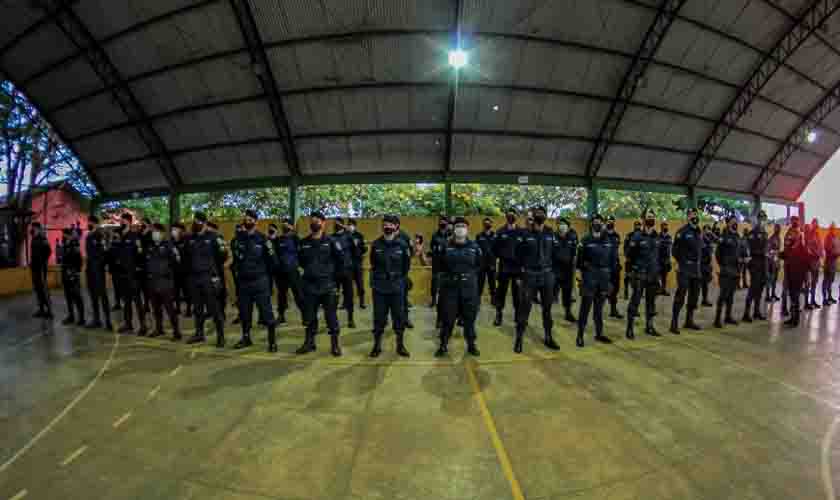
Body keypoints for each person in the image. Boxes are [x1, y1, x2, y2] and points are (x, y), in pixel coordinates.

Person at [296, 211, 345, 356]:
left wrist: (334, 281)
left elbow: (341, 261)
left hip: (328, 286)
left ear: (323, 223)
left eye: (317, 221)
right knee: (310, 316)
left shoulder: (331, 242)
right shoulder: (303, 243)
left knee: (331, 316)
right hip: (310, 286)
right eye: (312, 221)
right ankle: (309, 343)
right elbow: (299, 262)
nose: (314, 224)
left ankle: (335, 345)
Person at [513, 206, 561, 353]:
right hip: (529, 275)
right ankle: (519, 339)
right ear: (533, 217)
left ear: (545, 216)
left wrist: (553, 274)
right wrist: (519, 276)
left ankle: (548, 337)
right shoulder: (525, 233)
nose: (540, 215)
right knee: (524, 308)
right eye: (537, 213)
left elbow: (555, 253)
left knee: (547, 309)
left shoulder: (550, 233)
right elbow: (517, 256)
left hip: (547, 275)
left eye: (542, 213)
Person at [232, 210, 279, 352]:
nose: (247, 222)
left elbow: (273, 261)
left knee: (267, 313)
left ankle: (272, 341)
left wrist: (265, 277)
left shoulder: (264, 240)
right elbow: (236, 259)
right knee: (245, 313)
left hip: (260, 282)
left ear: (256, 222)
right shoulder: (237, 239)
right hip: (244, 283)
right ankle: (246, 338)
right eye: (246, 219)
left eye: (250, 219)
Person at [436, 217, 481, 357]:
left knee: (469, 319)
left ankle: (471, 345)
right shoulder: (445, 246)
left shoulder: (474, 247)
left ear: (467, 229)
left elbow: (479, 265)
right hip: (450, 289)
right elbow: (438, 266)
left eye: (463, 226)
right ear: (453, 229)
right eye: (458, 226)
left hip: (469, 289)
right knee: (448, 319)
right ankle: (443, 345)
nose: (460, 228)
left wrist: (470, 279)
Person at [369, 214, 411, 357]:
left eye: (390, 224)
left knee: (399, 317)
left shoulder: (402, 245)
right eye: (385, 224)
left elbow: (406, 267)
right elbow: (373, 264)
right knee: (379, 317)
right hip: (379, 288)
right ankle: (377, 345)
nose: (387, 227)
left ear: (396, 226)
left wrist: (398, 279)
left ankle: (400, 345)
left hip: (396, 287)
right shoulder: (376, 244)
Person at [185, 212, 227, 346]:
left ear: (204, 223)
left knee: (214, 308)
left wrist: (214, 272)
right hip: (194, 278)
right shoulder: (190, 238)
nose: (195, 224)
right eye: (194, 221)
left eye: (197, 221)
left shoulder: (214, 237)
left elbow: (223, 255)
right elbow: (186, 256)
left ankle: (221, 336)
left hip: (208, 277)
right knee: (197, 309)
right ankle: (199, 334)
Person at [576, 214, 616, 347]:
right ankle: (580, 335)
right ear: (591, 224)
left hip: (604, 278)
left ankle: (599, 334)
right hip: (589, 277)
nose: (597, 224)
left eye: (599, 222)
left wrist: (611, 279)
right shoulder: (585, 240)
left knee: (599, 309)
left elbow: (613, 261)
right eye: (595, 222)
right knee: (585, 308)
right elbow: (579, 261)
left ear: (603, 224)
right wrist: (580, 277)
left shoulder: (608, 240)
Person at [625, 209, 661, 339]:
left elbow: (658, 256)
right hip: (640, 274)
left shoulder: (657, 236)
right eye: (648, 217)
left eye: (653, 217)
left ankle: (649, 327)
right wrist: (632, 272)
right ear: (643, 220)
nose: (651, 219)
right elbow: (629, 255)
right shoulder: (637, 236)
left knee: (651, 303)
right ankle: (629, 328)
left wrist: (658, 273)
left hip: (653, 274)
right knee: (635, 301)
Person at [145, 223, 181, 340]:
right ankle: (159, 328)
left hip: (165, 282)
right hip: (152, 281)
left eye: (156, 231)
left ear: (162, 233)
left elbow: (176, 261)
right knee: (156, 308)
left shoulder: (169, 246)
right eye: (153, 231)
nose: (154, 234)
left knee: (170, 308)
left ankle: (176, 331)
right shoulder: (150, 246)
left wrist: (168, 272)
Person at [671, 208, 704, 334]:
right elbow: (674, 250)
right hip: (684, 268)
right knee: (681, 295)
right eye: (692, 215)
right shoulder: (682, 232)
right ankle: (674, 323)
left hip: (696, 269)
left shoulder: (699, 231)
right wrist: (682, 262)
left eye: (696, 214)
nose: (694, 216)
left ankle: (689, 321)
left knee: (694, 296)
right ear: (687, 217)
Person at [114, 214, 147, 335]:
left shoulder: (135, 236)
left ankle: (143, 326)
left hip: (133, 274)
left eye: (123, 221)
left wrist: (138, 269)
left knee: (137, 301)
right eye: (121, 221)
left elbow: (140, 254)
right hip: (122, 274)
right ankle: (128, 325)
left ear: (128, 222)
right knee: (126, 301)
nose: (121, 223)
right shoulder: (119, 237)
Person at [271, 218, 305, 324]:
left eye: (286, 225)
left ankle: (305, 316)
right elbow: (273, 253)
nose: (284, 227)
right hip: (281, 272)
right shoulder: (278, 239)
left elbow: (302, 254)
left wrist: (301, 267)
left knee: (299, 294)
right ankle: (281, 316)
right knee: (281, 295)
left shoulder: (296, 239)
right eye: (283, 225)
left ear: (291, 227)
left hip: (293, 271)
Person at [493, 208, 523, 326]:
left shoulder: (521, 232)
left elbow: (525, 250)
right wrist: (502, 256)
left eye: (513, 214)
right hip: (504, 267)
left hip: (517, 268)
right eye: (509, 214)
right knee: (501, 292)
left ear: (516, 216)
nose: (511, 216)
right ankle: (498, 314)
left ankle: (518, 315)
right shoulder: (500, 231)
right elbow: (494, 248)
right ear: (506, 217)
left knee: (517, 294)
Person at [714, 216, 744, 328]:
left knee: (731, 295)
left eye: (736, 222)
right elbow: (718, 254)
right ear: (728, 223)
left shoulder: (737, 236)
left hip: (735, 270)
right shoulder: (724, 236)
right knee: (723, 295)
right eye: (733, 222)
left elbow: (739, 251)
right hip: (726, 270)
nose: (735, 224)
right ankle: (717, 319)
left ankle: (728, 316)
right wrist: (723, 265)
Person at [84, 215, 112, 330]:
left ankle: (108, 321)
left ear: (93, 223)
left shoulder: (100, 235)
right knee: (93, 296)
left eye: (89, 222)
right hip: (90, 269)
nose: (88, 224)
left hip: (98, 270)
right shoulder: (89, 236)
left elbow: (105, 253)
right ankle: (97, 320)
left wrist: (100, 265)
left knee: (102, 295)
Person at [781, 216, 808, 327]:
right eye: (792, 221)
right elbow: (787, 250)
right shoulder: (789, 232)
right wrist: (781, 254)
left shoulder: (800, 235)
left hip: (796, 270)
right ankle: (793, 317)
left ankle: (795, 319)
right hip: (789, 267)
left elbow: (800, 253)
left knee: (795, 295)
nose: (794, 222)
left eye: (795, 221)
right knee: (792, 295)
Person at [743, 210, 769, 322]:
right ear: (757, 220)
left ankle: (756, 312)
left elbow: (766, 248)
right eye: (761, 219)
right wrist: (762, 253)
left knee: (760, 289)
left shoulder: (765, 233)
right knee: (753, 289)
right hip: (755, 264)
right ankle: (746, 313)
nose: (762, 221)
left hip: (763, 264)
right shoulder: (752, 233)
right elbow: (749, 250)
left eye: (764, 219)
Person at [332, 217, 357, 328]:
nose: (336, 225)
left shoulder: (349, 237)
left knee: (349, 296)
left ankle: (350, 319)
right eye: (335, 224)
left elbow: (355, 251)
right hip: (334, 272)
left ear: (342, 225)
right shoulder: (331, 238)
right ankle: (333, 320)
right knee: (333, 298)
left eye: (338, 224)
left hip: (347, 271)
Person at [553, 217, 578, 322]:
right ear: (557, 226)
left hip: (567, 269)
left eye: (564, 224)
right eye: (560, 224)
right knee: (550, 292)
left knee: (567, 292)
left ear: (568, 226)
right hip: (555, 269)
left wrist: (574, 266)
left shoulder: (572, 237)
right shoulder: (553, 236)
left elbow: (574, 253)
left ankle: (568, 312)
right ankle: (547, 312)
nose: (562, 226)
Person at [60, 227, 85, 326]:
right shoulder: (65, 244)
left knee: (77, 296)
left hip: (73, 273)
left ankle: (81, 318)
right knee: (68, 296)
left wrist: (76, 272)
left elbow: (79, 259)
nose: (63, 236)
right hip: (65, 272)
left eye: (64, 234)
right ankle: (71, 316)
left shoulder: (74, 244)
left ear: (69, 235)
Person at [29, 222, 53, 319]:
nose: (32, 229)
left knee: (43, 289)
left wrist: (42, 261)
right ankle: (41, 309)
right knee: (37, 289)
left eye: (34, 228)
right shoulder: (34, 239)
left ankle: (49, 311)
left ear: (38, 229)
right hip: (34, 268)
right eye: (32, 228)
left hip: (41, 268)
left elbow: (49, 252)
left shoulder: (43, 239)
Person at [604, 215, 623, 319]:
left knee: (615, 289)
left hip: (615, 266)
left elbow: (616, 251)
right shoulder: (602, 235)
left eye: (612, 221)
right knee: (603, 289)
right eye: (608, 221)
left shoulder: (617, 236)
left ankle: (613, 310)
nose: (610, 222)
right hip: (605, 267)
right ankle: (598, 312)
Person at [429, 215, 450, 309]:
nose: (442, 223)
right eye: (441, 221)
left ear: (447, 223)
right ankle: (433, 300)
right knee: (435, 282)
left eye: (444, 221)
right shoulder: (435, 235)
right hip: (437, 262)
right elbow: (432, 247)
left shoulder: (451, 234)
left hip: (448, 263)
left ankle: (446, 301)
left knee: (447, 283)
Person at [347, 219, 368, 309]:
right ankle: (346, 303)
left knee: (360, 284)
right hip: (348, 264)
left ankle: (362, 302)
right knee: (347, 285)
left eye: (352, 225)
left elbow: (364, 248)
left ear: (355, 226)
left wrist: (358, 249)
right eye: (349, 225)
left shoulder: (359, 236)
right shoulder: (345, 236)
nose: (350, 226)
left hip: (357, 263)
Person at [476, 217, 496, 305]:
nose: (487, 225)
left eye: (489, 223)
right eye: (485, 223)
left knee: (492, 283)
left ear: (491, 224)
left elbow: (498, 249)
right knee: (480, 283)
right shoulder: (479, 236)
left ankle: (493, 299)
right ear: (483, 225)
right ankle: (477, 300)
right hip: (481, 264)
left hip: (492, 263)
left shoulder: (495, 236)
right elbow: (476, 249)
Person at [804, 219, 823, 310]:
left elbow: (820, 247)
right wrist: (814, 254)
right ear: (812, 225)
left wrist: (821, 254)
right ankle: (806, 303)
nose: (816, 226)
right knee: (808, 283)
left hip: (817, 262)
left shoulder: (818, 234)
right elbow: (807, 248)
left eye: (817, 224)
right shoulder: (809, 235)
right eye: (815, 224)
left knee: (814, 283)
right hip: (810, 263)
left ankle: (812, 301)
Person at [230, 224, 245, 324]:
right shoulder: (233, 241)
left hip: (248, 270)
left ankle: (262, 316)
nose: (238, 232)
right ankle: (241, 315)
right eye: (237, 230)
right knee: (239, 294)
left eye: (240, 229)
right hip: (237, 270)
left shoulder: (247, 239)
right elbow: (234, 256)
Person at [624, 221, 642, 300]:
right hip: (630, 259)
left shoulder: (643, 235)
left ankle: (639, 292)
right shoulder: (629, 235)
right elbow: (625, 246)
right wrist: (626, 256)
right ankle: (626, 290)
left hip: (639, 260)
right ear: (634, 226)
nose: (637, 227)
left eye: (639, 225)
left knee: (639, 277)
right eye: (636, 225)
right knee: (627, 276)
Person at [824, 223, 839, 305]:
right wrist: (835, 253)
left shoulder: (836, 237)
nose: (833, 229)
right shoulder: (827, 237)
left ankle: (829, 296)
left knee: (831, 281)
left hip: (834, 262)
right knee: (827, 281)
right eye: (831, 228)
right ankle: (825, 299)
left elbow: (838, 247)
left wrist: (838, 253)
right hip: (829, 262)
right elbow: (827, 249)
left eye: (834, 228)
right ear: (829, 229)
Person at [767, 224, 782, 302]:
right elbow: (768, 251)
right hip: (771, 262)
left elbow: (778, 250)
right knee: (770, 279)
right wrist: (774, 253)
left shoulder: (778, 238)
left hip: (776, 262)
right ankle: (767, 295)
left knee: (775, 279)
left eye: (779, 228)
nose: (779, 230)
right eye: (777, 228)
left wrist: (778, 261)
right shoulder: (771, 238)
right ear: (775, 229)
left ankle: (773, 294)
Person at [700, 225, 715, 307]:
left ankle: (704, 299)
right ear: (703, 230)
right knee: (698, 284)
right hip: (701, 264)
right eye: (706, 230)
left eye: (709, 229)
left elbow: (716, 240)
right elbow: (704, 249)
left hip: (707, 264)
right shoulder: (700, 239)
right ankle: (695, 301)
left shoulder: (709, 239)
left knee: (705, 284)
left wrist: (711, 234)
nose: (708, 231)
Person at [659, 222, 673, 296]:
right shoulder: (658, 236)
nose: (665, 228)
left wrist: (669, 260)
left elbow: (669, 247)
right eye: (664, 226)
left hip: (666, 260)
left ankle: (663, 289)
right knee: (658, 275)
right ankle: (658, 289)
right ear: (661, 227)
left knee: (664, 276)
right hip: (659, 260)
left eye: (666, 226)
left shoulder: (669, 237)